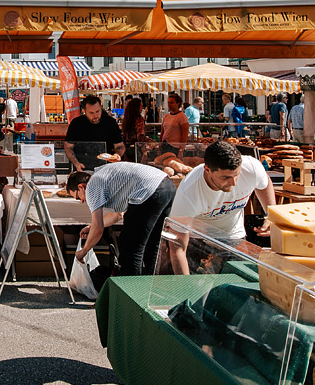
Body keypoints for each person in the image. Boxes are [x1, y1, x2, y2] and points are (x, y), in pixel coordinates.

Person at [164, 139, 275, 274]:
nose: (233, 183)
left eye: (237, 175)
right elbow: (178, 247)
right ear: (207, 169)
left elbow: (264, 183)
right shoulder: (189, 193)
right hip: (198, 241)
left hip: (234, 236)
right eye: (225, 177)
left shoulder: (251, 168)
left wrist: (270, 214)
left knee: (239, 286)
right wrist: (186, 286)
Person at [70, 159, 191, 279]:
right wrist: (90, 227)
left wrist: (84, 251)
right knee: (152, 244)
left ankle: (131, 291)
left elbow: (98, 229)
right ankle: (149, 288)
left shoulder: (91, 186)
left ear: (81, 187)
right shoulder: (102, 176)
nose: (81, 201)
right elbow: (117, 215)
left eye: (77, 197)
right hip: (167, 186)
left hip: (150, 190)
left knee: (129, 247)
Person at [63, 95, 124, 171]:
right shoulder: (76, 123)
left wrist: (116, 156)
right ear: (84, 111)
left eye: (97, 111)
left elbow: (119, 146)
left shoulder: (110, 122)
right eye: (91, 113)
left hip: (105, 168)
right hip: (82, 167)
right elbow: (68, 146)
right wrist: (76, 163)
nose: (95, 115)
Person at [121, 96, 146, 163]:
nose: (142, 108)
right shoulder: (139, 119)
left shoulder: (126, 119)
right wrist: (143, 147)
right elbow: (140, 135)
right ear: (136, 107)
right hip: (136, 148)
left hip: (126, 148)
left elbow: (123, 134)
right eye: (141, 106)